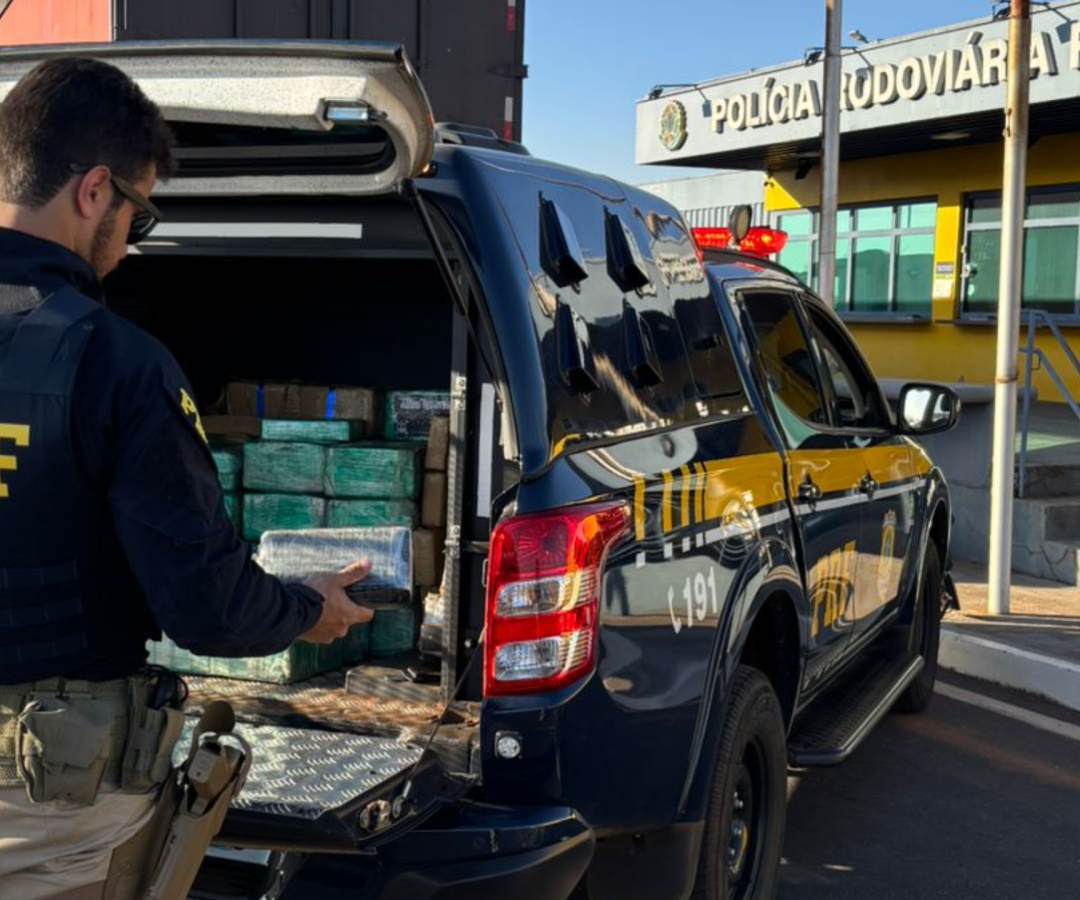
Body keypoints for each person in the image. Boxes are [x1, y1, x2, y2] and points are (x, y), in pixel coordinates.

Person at [0, 56, 373, 899]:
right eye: (141, 211)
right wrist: (310, 608)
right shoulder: (112, 363)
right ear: (94, 191)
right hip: (47, 806)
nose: (133, 242)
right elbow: (205, 607)